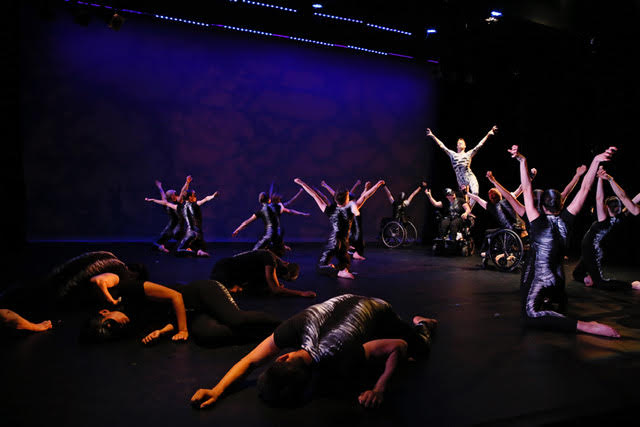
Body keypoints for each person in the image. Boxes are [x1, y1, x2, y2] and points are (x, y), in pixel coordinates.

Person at [190, 294, 437, 409]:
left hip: (378, 309)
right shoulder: (293, 328)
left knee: (418, 349)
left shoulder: (341, 356)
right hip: (349, 305)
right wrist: (217, 390)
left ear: (285, 355)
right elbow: (251, 361)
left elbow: (399, 346)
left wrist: (379, 388)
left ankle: (422, 323)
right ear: (284, 356)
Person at [508, 144, 620, 337]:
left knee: (529, 314)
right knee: (542, 285)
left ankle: (585, 326)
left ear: (542, 206)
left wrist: (522, 161)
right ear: (562, 204)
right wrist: (595, 161)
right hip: (558, 281)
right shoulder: (567, 219)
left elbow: (526, 187)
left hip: (541, 280)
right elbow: (586, 187)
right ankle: (556, 300)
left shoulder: (535, 219)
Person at [82, 278, 281, 347]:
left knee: (235, 320)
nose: (120, 326)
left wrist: (184, 330)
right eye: (116, 331)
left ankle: (283, 325)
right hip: (192, 312)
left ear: (105, 311)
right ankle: (268, 336)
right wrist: (161, 332)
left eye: (113, 324)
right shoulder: (131, 322)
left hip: (202, 293)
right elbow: (169, 319)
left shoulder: (129, 291)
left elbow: (175, 296)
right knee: (208, 336)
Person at [294, 178, 384, 279]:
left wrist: (302, 183)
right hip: (345, 242)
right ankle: (342, 270)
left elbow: (315, 195)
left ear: (335, 199)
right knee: (344, 262)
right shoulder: (351, 208)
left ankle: (339, 272)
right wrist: (377, 185)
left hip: (334, 241)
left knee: (321, 266)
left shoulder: (329, 210)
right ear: (347, 199)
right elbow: (365, 196)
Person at [572, 167, 640, 290]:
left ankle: (631, 285)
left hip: (592, 249)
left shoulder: (603, 219)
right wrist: (605, 178)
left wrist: (600, 179)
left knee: (600, 282)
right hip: (589, 248)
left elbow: (599, 199)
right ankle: (587, 278)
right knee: (577, 274)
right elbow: (629, 198)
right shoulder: (622, 216)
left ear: (607, 208)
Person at [426, 126, 497, 207]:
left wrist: (488, 134)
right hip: (460, 179)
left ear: (465, 146)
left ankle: (469, 210)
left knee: (475, 192)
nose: (460, 143)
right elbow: (442, 146)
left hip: (469, 176)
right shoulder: (453, 154)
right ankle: (467, 211)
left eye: (462, 143)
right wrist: (432, 135)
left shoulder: (468, 154)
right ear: (457, 146)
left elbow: (479, 145)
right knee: (464, 200)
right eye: (458, 143)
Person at [210, 249, 316, 297]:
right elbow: (275, 289)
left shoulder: (272, 258)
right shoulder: (270, 260)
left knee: (266, 286)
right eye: (285, 276)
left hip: (226, 272)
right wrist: (301, 293)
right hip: (223, 271)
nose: (281, 277)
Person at [232, 192, 309, 257]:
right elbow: (290, 210)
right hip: (279, 233)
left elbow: (246, 222)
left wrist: (237, 229)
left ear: (260, 201)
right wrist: (303, 214)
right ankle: (280, 246)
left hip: (270, 235)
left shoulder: (261, 211)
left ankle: (241, 260)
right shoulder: (278, 207)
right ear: (269, 200)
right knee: (271, 248)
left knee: (255, 251)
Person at [145, 176, 192, 253]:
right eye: (174, 193)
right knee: (182, 239)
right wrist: (187, 182)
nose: (176, 194)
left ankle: (161, 247)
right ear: (173, 196)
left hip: (171, 225)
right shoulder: (177, 202)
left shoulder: (166, 202)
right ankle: (181, 248)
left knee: (159, 241)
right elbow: (183, 191)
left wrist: (160, 186)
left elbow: (162, 194)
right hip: (178, 226)